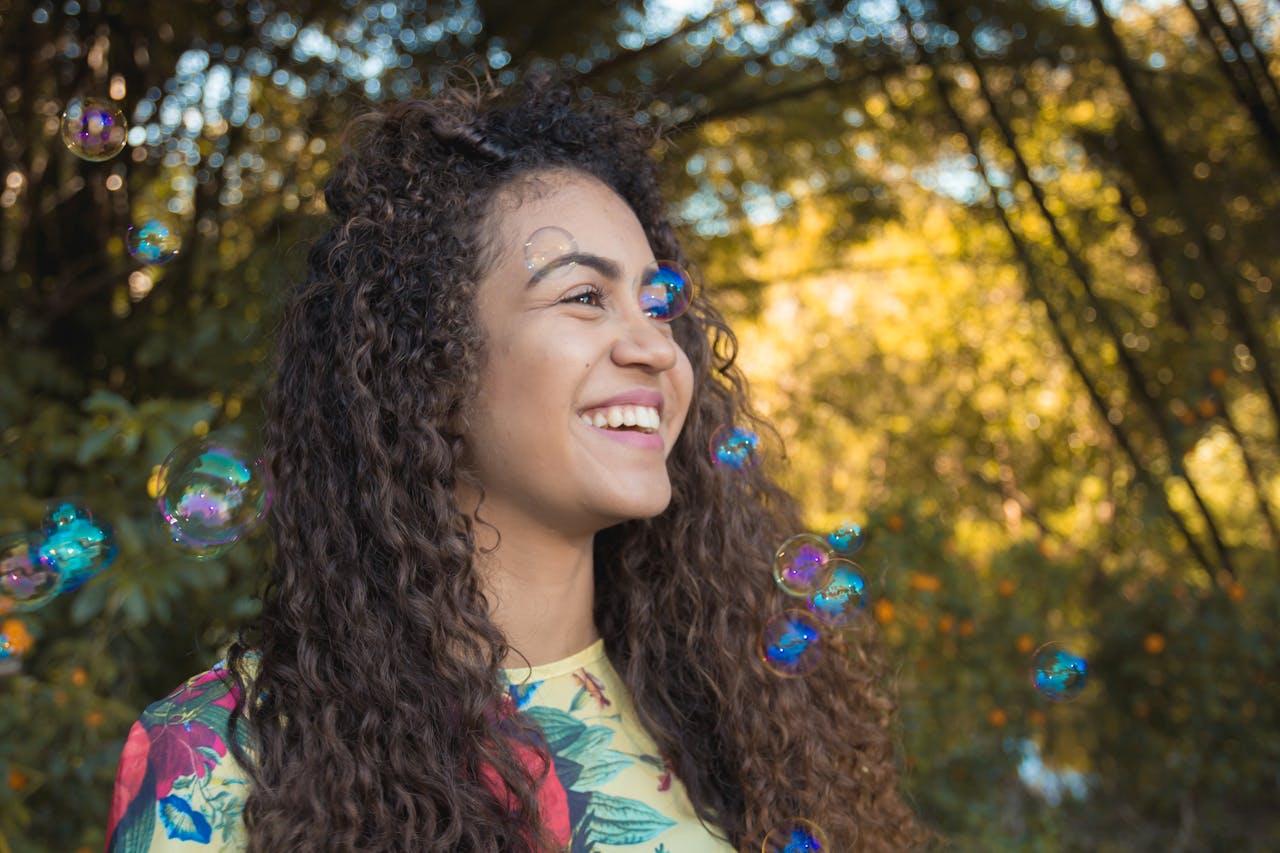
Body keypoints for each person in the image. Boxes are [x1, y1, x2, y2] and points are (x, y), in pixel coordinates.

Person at [105, 75, 921, 852]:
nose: (654, 349)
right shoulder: (216, 754)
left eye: (659, 302)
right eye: (582, 296)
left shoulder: (743, 711)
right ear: (430, 368)